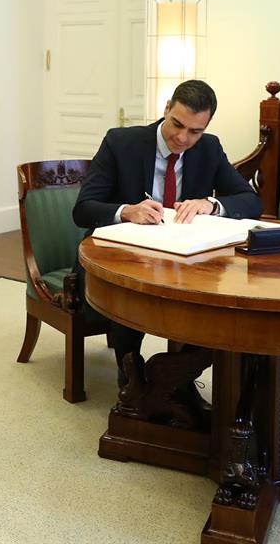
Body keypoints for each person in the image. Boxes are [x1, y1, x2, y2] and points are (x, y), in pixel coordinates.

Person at [72, 79, 261, 385]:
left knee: (217, 297)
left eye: (195, 131)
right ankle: (131, 379)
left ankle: (180, 377)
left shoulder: (209, 148)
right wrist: (127, 211)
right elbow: (83, 209)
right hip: (119, 257)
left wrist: (209, 204)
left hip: (184, 257)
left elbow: (251, 201)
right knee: (132, 290)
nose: (183, 138)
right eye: (177, 125)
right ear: (166, 109)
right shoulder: (121, 143)